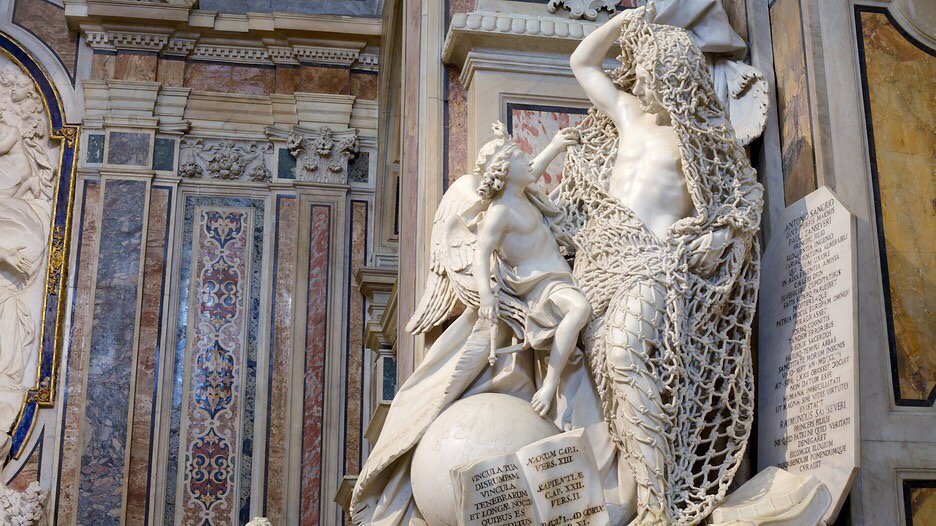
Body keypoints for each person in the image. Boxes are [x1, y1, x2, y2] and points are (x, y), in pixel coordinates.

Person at [557, 6, 764, 525]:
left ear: (674, 79)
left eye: (651, 79)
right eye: (642, 76)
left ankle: (658, 508)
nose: (641, 87)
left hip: (653, 261)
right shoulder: (629, 114)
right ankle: (632, 495)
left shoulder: (701, 139)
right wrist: (625, 20)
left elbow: (744, 199)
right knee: (603, 383)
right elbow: (583, 63)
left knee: (626, 356)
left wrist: (718, 236)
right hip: (599, 261)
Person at [472, 123, 591, 416]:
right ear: (505, 171)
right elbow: (481, 252)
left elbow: (533, 170)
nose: (527, 160)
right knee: (579, 309)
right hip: (539, 286)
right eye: (519, 157)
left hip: (562, 272)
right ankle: (550, 384)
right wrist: (486, 295)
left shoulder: (522, 193)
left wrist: (555, 145)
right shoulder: (500, 213)